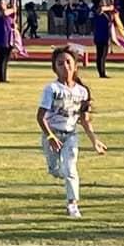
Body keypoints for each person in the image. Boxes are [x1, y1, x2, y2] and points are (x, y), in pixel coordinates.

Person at [37, 46, 104, 219]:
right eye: (60, 63)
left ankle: (72, 204)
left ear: (75, 66)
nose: (65, 66)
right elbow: (40, 117)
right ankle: (61, 173)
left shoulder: (82, 91)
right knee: (54, 170)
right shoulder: (51, 89)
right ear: (55, 68)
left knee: (70, 169)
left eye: (68, 62)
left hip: (70, 136)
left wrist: (94, 140)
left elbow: (84, 119)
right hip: (52, 135)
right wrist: (50, 136)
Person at [0, 0, 23, 84]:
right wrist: (13, 9)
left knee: (6, 60)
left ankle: (4, 77)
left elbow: (12, 24)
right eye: (2, 3)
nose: (4, 5)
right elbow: (4, 13)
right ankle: (1, 78)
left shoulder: (8, 15)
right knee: (1, 60)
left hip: (8, 39)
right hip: (0, 40)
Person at [90, 0, 116, 78]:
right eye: (103, 1)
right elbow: (101, 9)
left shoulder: (105, 13)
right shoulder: (96, 10)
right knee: (101, 56)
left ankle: (102, 72)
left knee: (103, 56)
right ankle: (102, 73)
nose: (105, 3)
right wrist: (110, 7)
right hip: (100, 36)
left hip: (105, 36)